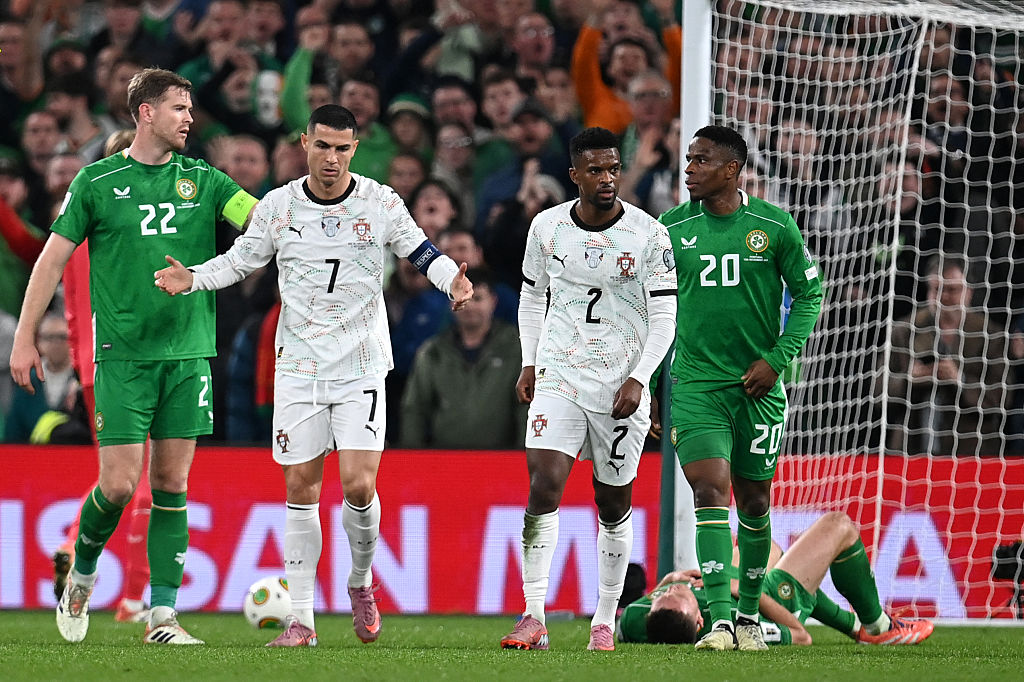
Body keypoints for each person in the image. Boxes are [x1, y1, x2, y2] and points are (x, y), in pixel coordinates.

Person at [154, 104, 474, 648]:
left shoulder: (380, 202)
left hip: (360, 364)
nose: (331, 158)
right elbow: (241, 260)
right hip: (299, 368)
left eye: (342, 148)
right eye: (322, 146)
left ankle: (361, 581)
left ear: (355, 149)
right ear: (305, 144)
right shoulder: (279, 207)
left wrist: (452, 281)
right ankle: (301, 621)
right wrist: (195, 278)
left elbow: (420, 250)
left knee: (359, 485)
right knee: (301, 489)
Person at [9, 67, 259, 645]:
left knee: (171, 484)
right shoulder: (97, 182)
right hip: (122, 356)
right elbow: (50, 261)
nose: (189, 118)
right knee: (119, 486)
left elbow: (263, 220)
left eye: (190, 108)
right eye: (179, 108)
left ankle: (162, 617)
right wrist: (24, 338)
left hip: (189, 354)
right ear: (146, 112)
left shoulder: (205, 179)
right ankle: (84, 571)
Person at [499, 127, 676, 652]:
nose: (607, 179)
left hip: (621, 384)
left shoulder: (648, 235)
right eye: (595, 170)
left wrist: (641, 378)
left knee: (612, 502)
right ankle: (533, 615)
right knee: (544, 484)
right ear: (574, 174)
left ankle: (603, 618)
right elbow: (532, 298)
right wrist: (530, 361)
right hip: (561, 374)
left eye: (613, 169)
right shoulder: (547, 227)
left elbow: (665, 317)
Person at [657, 125, 823, 651]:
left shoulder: (772, 226)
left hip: (757, 389)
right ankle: (721, 623)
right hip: (695, 384)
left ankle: (750, 617)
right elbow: (651, 312)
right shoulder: (669, 228)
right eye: (688, 159)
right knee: (710, 491)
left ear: (731, 170)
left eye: (701, 160)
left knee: (753, 501)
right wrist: (650, 382)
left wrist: (776, 361)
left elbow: (810, 296)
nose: (689, 169)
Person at [618, 512, 935, 647]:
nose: (673, 589)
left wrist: (671, 579)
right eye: (679, 593)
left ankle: (853, 626)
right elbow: (799, 636)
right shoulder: (732, 627)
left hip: (732, 583)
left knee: (762, 548)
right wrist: (743, 590)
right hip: (773, 599)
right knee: (839, 525)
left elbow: (629, 624)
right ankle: (877, 626)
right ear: (700, 620)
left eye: (662, 594)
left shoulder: (637, 619)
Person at [400, 269, 525, 449]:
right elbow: (415, 410)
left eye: (477, 298)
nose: (470, 306)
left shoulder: (517, 349)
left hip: (504, 459)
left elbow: (526, 408)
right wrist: (411, 457)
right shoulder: (432, 352)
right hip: (443, 460)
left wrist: (525, 457)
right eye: (462, 298)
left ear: (493, 301)